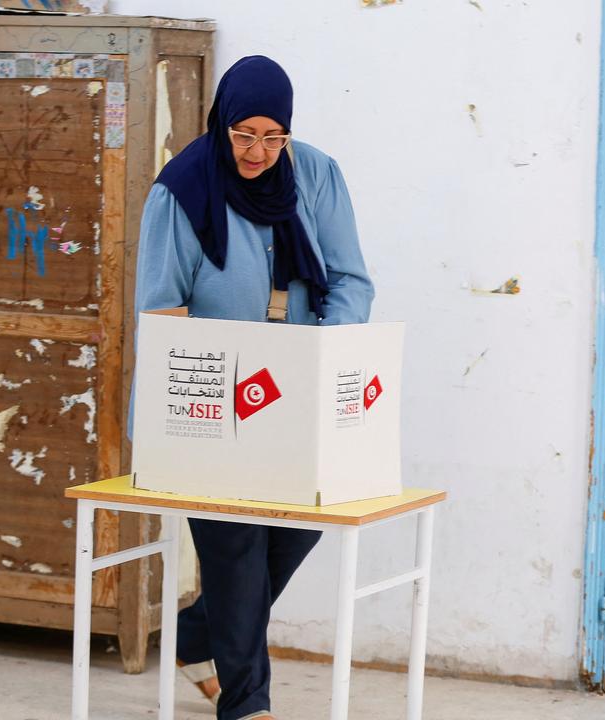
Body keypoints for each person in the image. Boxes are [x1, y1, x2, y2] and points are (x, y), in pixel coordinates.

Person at [135, 55, 374, 720]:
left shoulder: (316, 175)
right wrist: (217, 365)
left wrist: (329, 348)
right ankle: (247, 705)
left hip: (296, 391)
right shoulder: (181, 190)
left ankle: (194, 636)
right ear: (223, 123)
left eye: (273, 138)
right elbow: (161, 306)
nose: (258, 152)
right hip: (210, 398)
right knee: (235, 544)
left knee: (300, 529)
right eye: (245, 135)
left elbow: (351, 278)